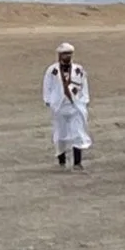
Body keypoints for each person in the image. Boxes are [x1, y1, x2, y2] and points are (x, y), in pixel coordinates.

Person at [41, 41, 92, 170]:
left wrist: (84, 100)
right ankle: (62, 159)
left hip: (75, 106)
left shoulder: (78, 70)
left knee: (77, 132)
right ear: (59, 55)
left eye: (69, 53)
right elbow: (47, 86)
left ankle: (77, 162)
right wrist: (49, 100)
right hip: (59, 106)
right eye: (65, 54)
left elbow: (84, 85)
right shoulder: (52, 71)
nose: (67, 56)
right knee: (60, 133)